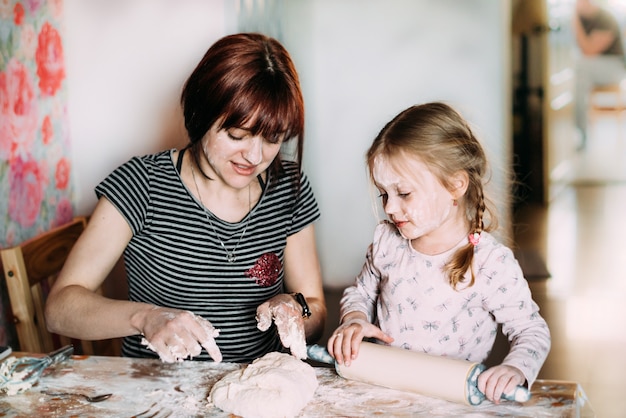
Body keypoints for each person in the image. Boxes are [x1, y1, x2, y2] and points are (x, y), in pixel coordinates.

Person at [45, 33, 326, 364]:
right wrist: (146, 318)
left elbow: (315, 307)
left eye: (273, 139)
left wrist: (297, 311)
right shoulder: (142, 184)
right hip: (162, 393)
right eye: (237, 135)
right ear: (202, 113)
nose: (254, 156)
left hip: (265, 383)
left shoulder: (288, 186)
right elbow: (60, 308)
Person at [327, 102, 551, 403]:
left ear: (455, 185)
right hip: (387, 392)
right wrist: (353, 319)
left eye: (404, 193)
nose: (390, 207)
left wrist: (515, 368)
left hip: (451, 400)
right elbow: (362, 292)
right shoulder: (388, 242)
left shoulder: (489, 263)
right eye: (384, 194)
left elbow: (531, 331)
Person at [573, 0, 625, 149]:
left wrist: (574, 19)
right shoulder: (584, 18)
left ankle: (580, 131)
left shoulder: (605, 18)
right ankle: (579, 129)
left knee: (581, 68)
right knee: (579, 71)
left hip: (614, 67)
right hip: (593, 67)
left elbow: (588, 50)